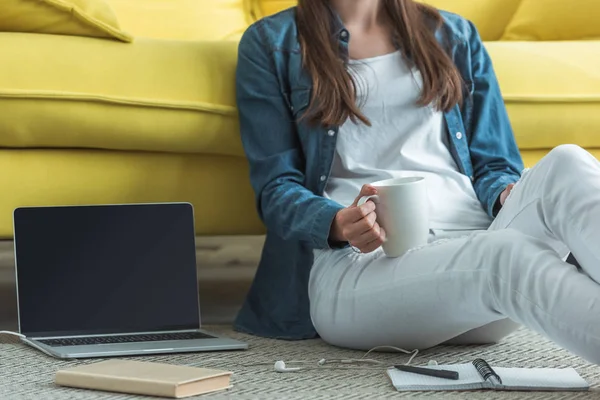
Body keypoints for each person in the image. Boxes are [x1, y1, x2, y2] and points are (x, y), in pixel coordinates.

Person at [234, 0, 600, 365]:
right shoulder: (271, 43)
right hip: (362, 269)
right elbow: (276, 189)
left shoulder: (454, 34)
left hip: (476, 263)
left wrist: (505, 194)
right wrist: (336, 223)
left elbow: (495, 164)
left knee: (566, 163)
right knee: (504, 254)